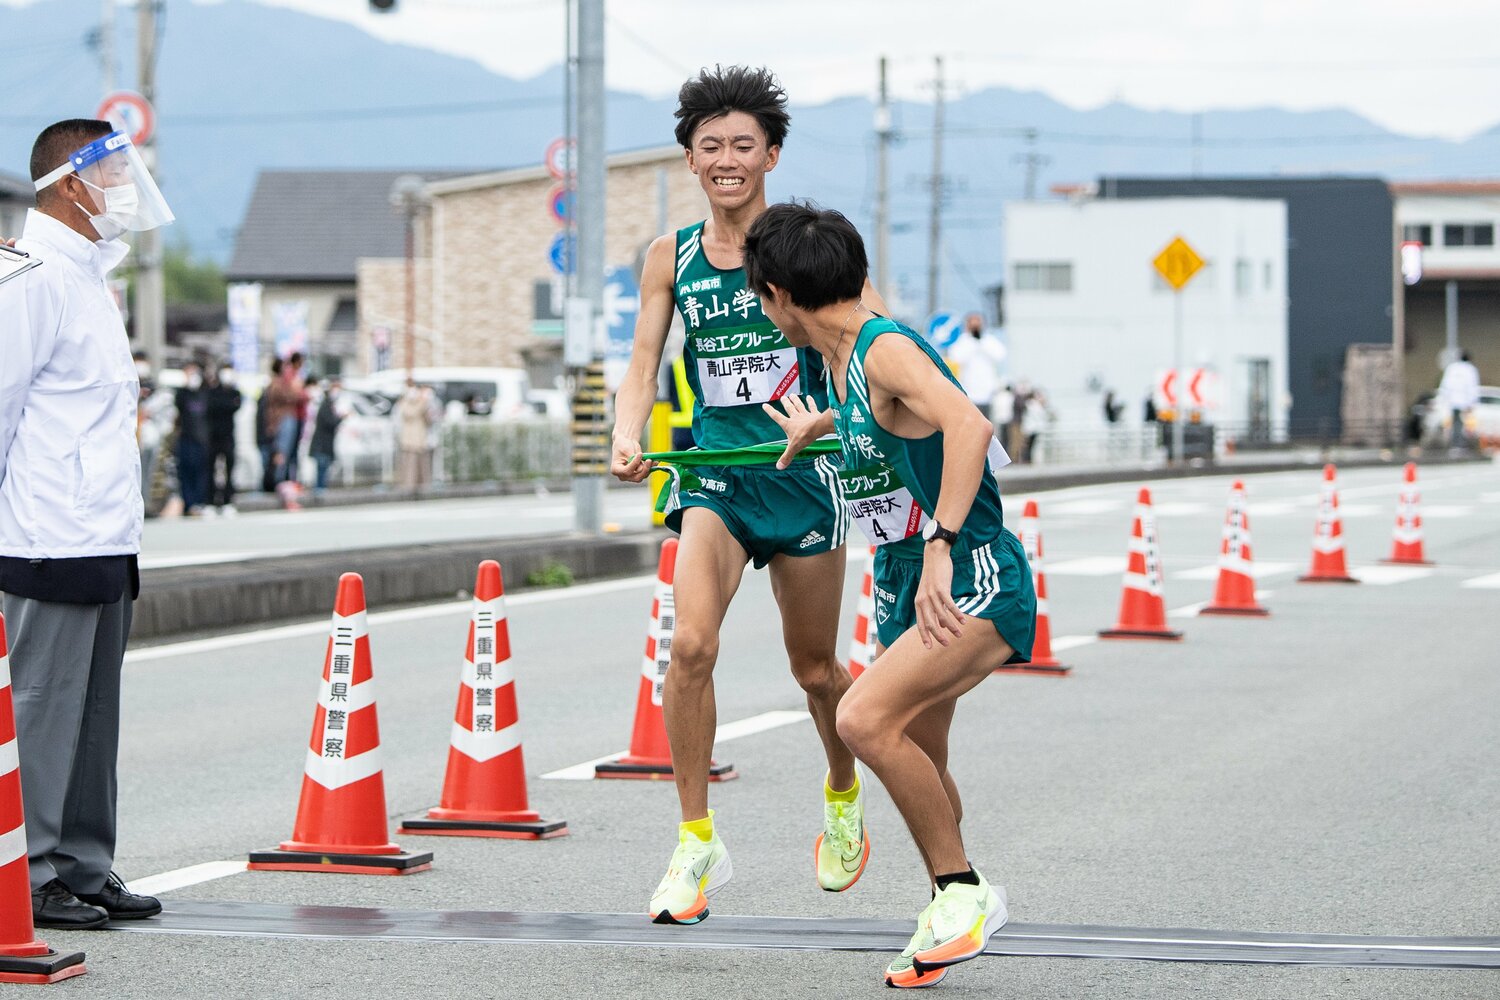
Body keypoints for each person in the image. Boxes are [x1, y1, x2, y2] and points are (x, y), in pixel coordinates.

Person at [610, 66, 888, 925]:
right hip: (717, 478)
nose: (726, 159)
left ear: (771, 154)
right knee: (690, 646)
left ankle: (842, 790)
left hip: (805, 477)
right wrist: (627, 432)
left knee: (814, 669)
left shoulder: (807, 244)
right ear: (689, 160)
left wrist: (847, 423)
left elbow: (875, 344)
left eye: (743, 145)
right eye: (710, 146)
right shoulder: (671, 257)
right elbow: (642, 363)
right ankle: (696, 841)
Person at [745, 202, 1033, 988]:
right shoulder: (843, 358)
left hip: (972, 570)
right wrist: (825, 430)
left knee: (862, 717)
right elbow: (897, 428)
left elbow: (968, 428)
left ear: (778, 294)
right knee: (923, 757)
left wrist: (940, 545)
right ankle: (958, 907)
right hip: (915, 574)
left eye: (760, 298)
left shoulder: (882, 345)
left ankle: (961, 893)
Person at [0, 118, 168, 929]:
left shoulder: (90, 275)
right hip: (44, 533)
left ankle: (83, 864)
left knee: (94, 712)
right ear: (71, 183)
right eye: (115, 173)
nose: (125, 189)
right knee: (40, 706)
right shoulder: (29, 275)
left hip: (103, 528)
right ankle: (29, 874)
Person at [945, 313, 1006, 423]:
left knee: (988, 426)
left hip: (988, 394)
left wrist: (980, 341)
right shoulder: (962, 341)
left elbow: (1000, 355)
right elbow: (955, 357)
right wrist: (973, 343)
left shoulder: (988, 340)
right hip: (969, 393)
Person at [173, 360, 211, 515]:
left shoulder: (205, 394)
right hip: (186, 437)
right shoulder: (182, 394)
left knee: (201, 472)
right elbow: (178, 408)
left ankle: (200, 502)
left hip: (203, 439)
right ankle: (189, 504)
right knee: (186, 471)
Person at [205, 364, 241, 513]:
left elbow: (235, 406)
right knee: (210, 468)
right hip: (212, 436)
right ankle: (210, 501)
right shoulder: (212, 392)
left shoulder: (235, 392)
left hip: (229, 435)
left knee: (230, 468)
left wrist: (224, 404)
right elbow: (213, 406)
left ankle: (228, 500)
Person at [1437, 350, 1481, 453]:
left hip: (1452, 401)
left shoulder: (1452, 368)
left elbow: (1445, 385)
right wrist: (1472, 402)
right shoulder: (1470, 370)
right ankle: (1459, 444)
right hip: (1464, 401)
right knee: (1462, 424)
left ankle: (1456, 443)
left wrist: (1444, 398)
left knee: (1456, 422)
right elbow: (1472, 387)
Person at [397, 380, 435, 492]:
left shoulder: (423, 403)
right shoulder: (405, 403)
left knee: (423, 464)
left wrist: (425, 404)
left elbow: (429, 420)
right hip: (410, 439)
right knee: (410, 465)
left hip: (421, 438)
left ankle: (424, 486)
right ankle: (408, 486)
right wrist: (421, 402)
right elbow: (410, 413)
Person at [309, 378, 345, 495]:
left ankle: (321, 490)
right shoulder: (326, 405)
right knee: (321, 469)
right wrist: (341, 418)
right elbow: (331, 422)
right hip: (322, 445)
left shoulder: (328, 405)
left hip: (324, 444)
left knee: (323, 469)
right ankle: (319, 491)